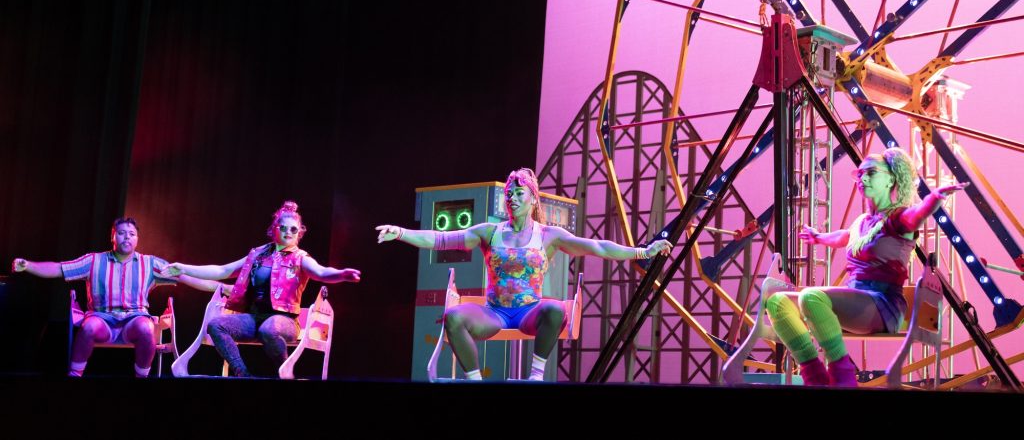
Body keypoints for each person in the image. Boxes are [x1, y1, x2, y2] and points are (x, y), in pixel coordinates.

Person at [377, 168, 673, 381]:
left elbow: (598, 247)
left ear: (533, 199)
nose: (513, 199)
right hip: (494, 313)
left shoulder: (548, 235)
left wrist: (642, 252)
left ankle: (535, 376)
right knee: (453, 317)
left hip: (530, 311)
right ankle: (475, 381)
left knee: (556, 310)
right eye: (509, 194)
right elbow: (440, 239)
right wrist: (400, 232)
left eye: (519, 194)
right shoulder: (489, 232)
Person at [768, 147, 967, 387]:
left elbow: (917, 215)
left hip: (883, 306)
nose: (863, 178)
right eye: (860, 174)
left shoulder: (899, 218)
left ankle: (843, 377)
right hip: (856, 299)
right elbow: (844, 236)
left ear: (891, 179)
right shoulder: (862, 221)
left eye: (871, 173)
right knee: (777, 302)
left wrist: (933, 199)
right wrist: (818, 237)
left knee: (811, 297)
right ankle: (815, 377)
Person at [159, 201, 361, 377]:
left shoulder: (300, 258)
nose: (288, 232)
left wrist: (342, 274)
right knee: (216, 325)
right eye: (283, 228)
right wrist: (183, 268)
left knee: (269, 328)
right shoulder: (257, 255)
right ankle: (243, 373)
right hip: (254, 319)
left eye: (293, 230)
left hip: (285, 321)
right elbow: (222, 270)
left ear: (299, 233)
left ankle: (284, 370)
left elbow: (321, 272)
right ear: (274, 229)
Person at [11, 216, 219, 377]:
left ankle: (141, 379)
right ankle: (74, 377)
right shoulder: (94, 261)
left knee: (147, 329)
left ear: (137, 239)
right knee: (88, 327)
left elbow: (186, 277)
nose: (127, 237)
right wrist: (28, 266)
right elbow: (59, 268)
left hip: (134, 320)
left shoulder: (150, 263)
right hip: (102, 320)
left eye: (131, 234)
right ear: (113, 236)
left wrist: (222, 288)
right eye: (121, 233)